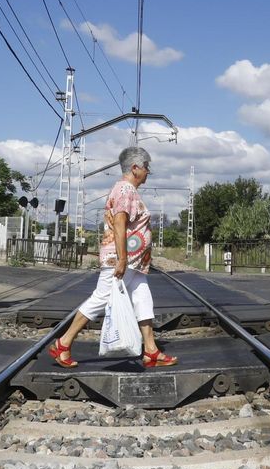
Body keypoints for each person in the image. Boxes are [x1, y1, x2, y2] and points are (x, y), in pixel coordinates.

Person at [48, 146, 178, 368]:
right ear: (135, 168)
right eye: (146, 167)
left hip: (135, 263)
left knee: (143, 299)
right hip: (122, 260)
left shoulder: (127, 190)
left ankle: (151, 350)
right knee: (101, 298)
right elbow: (119, 223)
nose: (148, 171)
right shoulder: (125, 190)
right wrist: (122, 259)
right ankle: (63, 343)